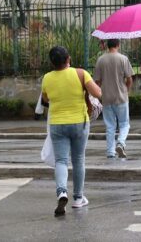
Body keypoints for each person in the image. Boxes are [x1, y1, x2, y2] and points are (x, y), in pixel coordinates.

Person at [40, 45, 102, 216]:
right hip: (79, 122)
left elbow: (45, 99)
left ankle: (61, 191)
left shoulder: (47, 78)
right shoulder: (81, 73)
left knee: (61, 160)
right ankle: (78, 198)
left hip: (57, 124)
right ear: (68, 59)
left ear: (52, 63)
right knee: (78, 159)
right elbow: (98, 93)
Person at [94, 38, 134, 159]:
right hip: (121, 97)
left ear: (107, 45)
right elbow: (129, 79)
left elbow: (97, 81)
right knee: (124, 124)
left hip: (106, 97)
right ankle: (121, 143)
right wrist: (126, 90)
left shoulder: (100, 60)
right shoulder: (123, 59)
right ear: (118, 45)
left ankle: (110, 152)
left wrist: (99, 94)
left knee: (110, 126)